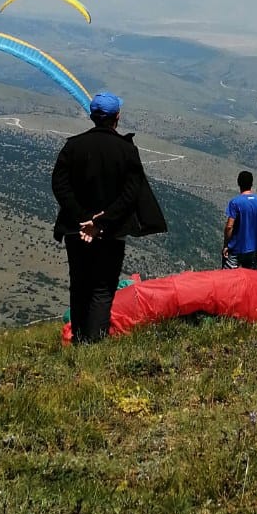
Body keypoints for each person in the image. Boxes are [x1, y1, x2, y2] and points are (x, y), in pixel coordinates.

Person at [51, 90, 168, 344]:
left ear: (93, 116)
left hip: (77, 231)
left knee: (80, 286)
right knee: (103, 289)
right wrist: (102, 222)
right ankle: (95, 343)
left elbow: (60, 185)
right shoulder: (126, 150)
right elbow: (131, 193)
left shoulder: (73, 146)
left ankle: (80, 340)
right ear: (117, 117)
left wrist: (83, 219)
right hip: (112, 233)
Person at [224, 171, 257, 269]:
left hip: (236, 249)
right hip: (253, 249)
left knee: (228, 279)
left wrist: (226, 245)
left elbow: (229, 226)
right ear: (252, 184)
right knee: (250, 280)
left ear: (238, 183)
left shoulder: (235, 203)